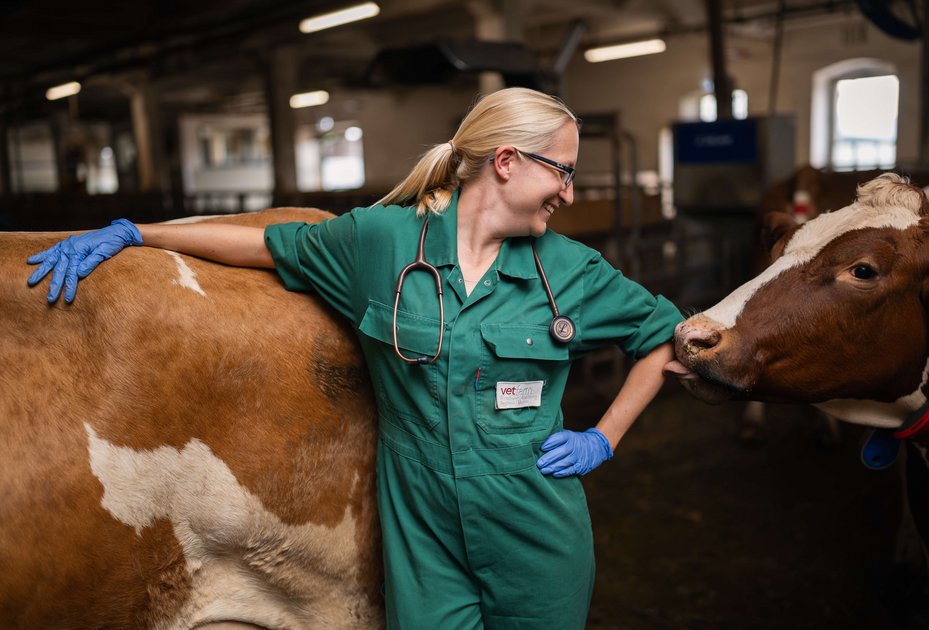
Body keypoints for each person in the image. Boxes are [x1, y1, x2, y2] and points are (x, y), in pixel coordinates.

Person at [27, 87, 682, 629]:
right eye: (561, 171)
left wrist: (603, 437)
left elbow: (664, 336)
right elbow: (263, 245)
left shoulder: (570, 270)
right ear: (506, 161)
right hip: (424, 542)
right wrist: (136, 232)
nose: (568, 193)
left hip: (536, 529)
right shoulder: (379, 242)